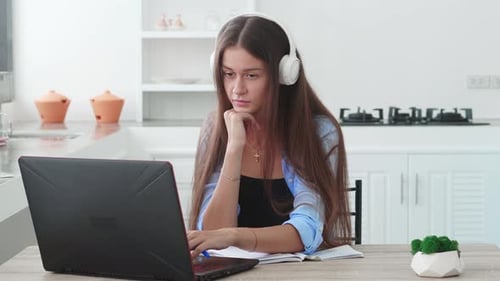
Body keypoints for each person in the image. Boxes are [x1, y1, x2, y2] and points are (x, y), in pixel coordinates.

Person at [187, 13, 351, 258]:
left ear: (285, 74)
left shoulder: (318, 132)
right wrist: (234, 149)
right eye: (228, 74)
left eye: (252, 75)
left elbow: (306, 231)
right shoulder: (216, 126)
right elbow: (211, 235)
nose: (237, 89)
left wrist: (234, 236)